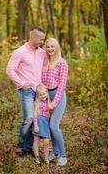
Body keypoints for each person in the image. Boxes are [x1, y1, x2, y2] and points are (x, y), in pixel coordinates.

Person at [6, 27, 46, 154]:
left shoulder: (42, 53)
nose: (42, 42)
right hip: (27, 91)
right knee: (28, 118)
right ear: (33, 37)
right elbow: (10, 70)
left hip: (39, 91)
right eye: (41, 39)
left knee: (36, 119)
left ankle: (31, 147)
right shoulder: (20, 52)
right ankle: (22, 146)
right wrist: (22, 83)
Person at [42, 38, 68, 166]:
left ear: (56, 47)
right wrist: (46, 100)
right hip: (47, 96)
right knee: (50, 127)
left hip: (59, 95)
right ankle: (56, 152)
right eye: (48, 47)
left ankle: (63, 155)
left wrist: (54, 103)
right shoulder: (44, 62)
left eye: (52, 46)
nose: (50, 49)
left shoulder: (62, 63)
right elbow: (42, 82)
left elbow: (62, 85)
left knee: (54, 125)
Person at [33, 84, 50, 164]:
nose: (43, 96)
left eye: (44, 93)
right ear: (38, 95)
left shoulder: (49, 102)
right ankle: (37, 158)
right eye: (40, 94)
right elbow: (35, 114)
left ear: (47, 93)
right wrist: (36, 125)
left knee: (46, 142)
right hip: (39, 122)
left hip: (46, 123)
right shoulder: (37, 103)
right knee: (36, 140)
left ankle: (46, 158)